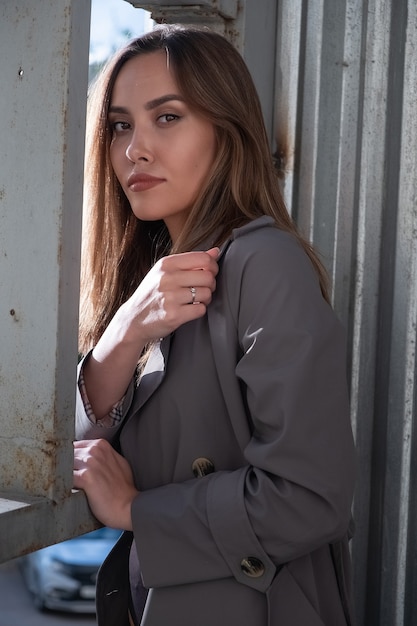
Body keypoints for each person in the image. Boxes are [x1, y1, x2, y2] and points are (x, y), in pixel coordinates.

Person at [73, 24, 356, 626]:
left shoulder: (265, 264)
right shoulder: (144, 283)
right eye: (121, 124)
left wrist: (137, 511)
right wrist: (124, 331)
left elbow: (310, 498)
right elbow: (71, 450)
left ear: (226, 133)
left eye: (167, 118)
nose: (135, 150)